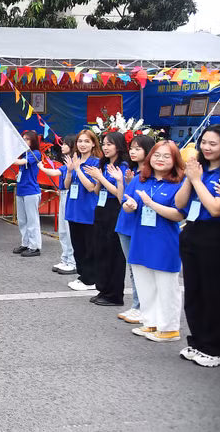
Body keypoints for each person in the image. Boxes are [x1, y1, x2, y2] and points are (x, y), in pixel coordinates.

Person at [174, 124, 220, 367]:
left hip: (216, 237)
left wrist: (197, 180)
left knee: (213, 293)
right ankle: (198, 341)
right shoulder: (199, 170)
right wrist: (190, 176)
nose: (206, 147)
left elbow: (216, 208)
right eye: (203, 142)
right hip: (192, 232)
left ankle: (216, 347)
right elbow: (180, 203)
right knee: (194, 292)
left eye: (212, 143)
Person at [122, 140, 185, 343]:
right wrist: (130, 205)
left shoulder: (180, 183)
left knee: (166, 286)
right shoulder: (140, 179)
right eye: (157, 155)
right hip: (141, 239)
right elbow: (126, 203)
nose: (160, 159)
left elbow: (178, 215)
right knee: (144, 282)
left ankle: (169, 328)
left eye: (167, 156)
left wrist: (151, 204)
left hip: (164, 242)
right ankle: (150, 322)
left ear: (175, 160)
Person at [84, 131, 130, 307]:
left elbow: (121, 194)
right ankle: (103, 289)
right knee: (101, 250)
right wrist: (97, 179)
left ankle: (114, 294)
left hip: (115, 210)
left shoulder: (123, 166)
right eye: (103, 144)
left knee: (114, 253)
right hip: (101, 208)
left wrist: (101, 177)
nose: (105, 147)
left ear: (118, 146)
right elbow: (97, 191)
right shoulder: (103, 164)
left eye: (109, 144)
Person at [114, 134, 155, 324]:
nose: (132, 151)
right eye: (131, 147)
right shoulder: (132, 173)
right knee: (132, 268)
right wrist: (123, 183)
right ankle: (137, 305)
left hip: (141, 226)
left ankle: (142, 306)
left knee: (142, 267)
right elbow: (122, 199)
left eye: (138, 148)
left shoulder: (153, 175)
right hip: (125, 223)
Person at [64, 130, 103, 292]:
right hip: (73, 209)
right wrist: (70, 170)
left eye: (87, 141)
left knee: (89, 246)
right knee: (77, 245)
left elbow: (91, 187)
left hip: (88, 210)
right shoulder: (76, 160)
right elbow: (66, 186)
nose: (82, 144)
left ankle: (90, 278)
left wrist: (78, 169)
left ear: (94, 143)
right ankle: (82, 275)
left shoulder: (96, 163)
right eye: (80, 141)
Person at [39, 134, 76, 274]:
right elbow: (56, 171)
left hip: (70, 196)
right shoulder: (66, 162)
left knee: (68, 229)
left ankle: (72, 261)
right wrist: (42, 167)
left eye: (66, 144)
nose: (62, 146)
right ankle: (65, 258)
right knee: (62, 230)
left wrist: (42, 168)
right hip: (63, 194)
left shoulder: (74, 163)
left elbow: (57, 173)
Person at [12, 131, 42, 257]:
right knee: (22, 220)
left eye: (27, 139)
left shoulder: (35, 154)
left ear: (33, 141)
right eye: (23, 139)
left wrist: (7, 155)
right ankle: (25, 243)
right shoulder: (24, 154)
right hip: (21, 191)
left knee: (32, 220)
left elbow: (20, 163)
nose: (24, 141)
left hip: (31, 191)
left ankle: (34, 246)